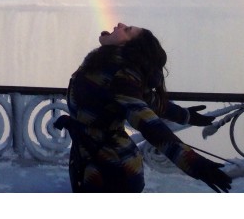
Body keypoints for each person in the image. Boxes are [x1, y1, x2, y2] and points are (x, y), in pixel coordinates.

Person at [58, 23, 232, 193]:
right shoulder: (107, 65)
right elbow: (150, 101)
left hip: (113, 171)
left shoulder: (121, 75)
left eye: (127, 30)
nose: (120, 24)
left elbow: (149, 125)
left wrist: (195, 164)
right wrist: (185, 115)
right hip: (93, 160)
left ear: (128, 46)